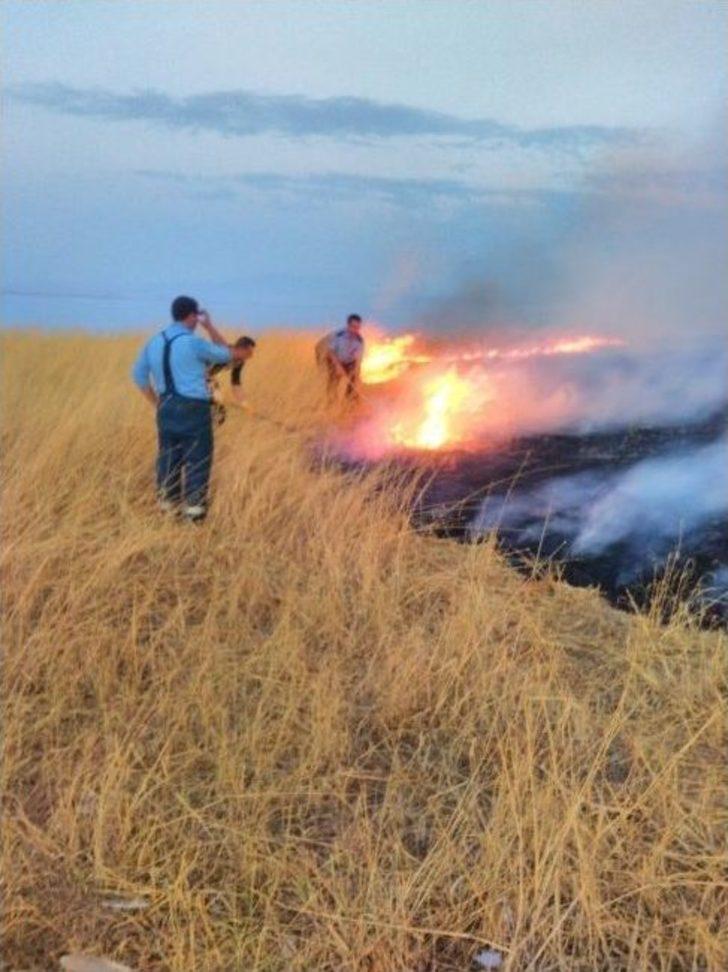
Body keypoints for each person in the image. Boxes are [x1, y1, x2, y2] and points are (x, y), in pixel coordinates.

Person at [131, 296, 253, 522]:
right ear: (192, 316)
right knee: (197, 459)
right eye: (197, 317)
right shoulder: (193, 342)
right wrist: (210, 326)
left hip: (165, 406)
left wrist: (157, 403)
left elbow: (138, 376)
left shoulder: (154, 341)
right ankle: (194, 514)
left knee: (168, 457)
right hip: (194, 408)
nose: (198, 322)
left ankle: (168, 508)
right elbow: (225, 353)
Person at [315, 314, 365, 403]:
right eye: (353, 327)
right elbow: (330, 352)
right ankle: (331, 402)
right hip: (334, 358)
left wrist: (355, 372)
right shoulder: (338, 336)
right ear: (348, 326)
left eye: (358, 327)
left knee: (353, 380)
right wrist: (338, 366)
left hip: (349, 361)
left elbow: (358, 359)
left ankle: (350, 402)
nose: (355, 330)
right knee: (333, 381)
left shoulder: (359, 340)